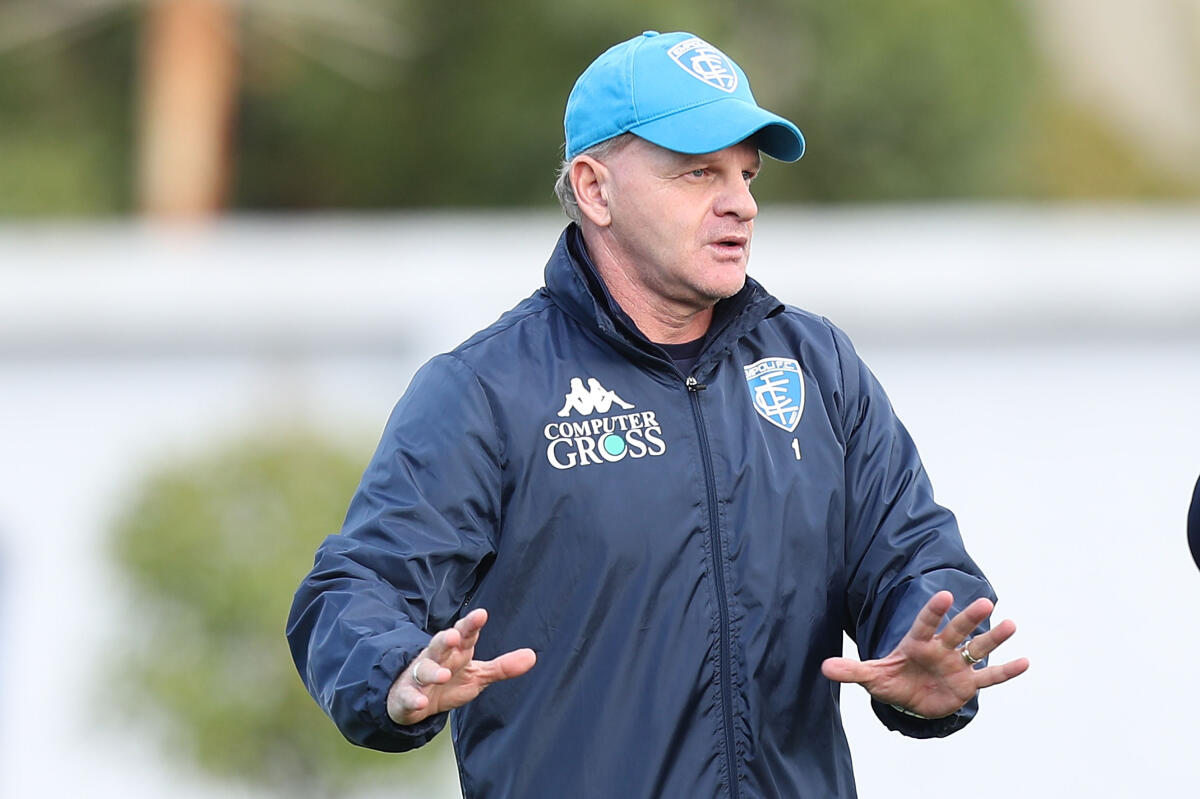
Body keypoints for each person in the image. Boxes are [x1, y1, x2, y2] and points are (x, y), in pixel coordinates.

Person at [287, 30, 1028, 798]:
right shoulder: (485, 390)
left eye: (746, 174)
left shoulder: (819, 368)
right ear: (594, 189)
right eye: (699, 171)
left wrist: (932, 648)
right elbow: (353, 590)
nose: (740, 202)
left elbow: (915, 560)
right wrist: (392, 669)